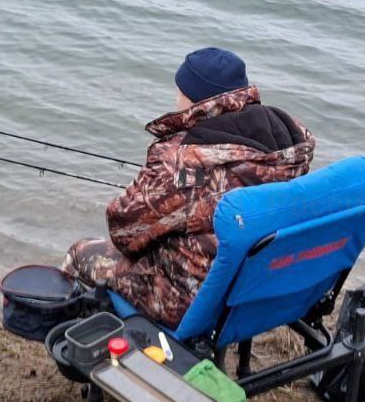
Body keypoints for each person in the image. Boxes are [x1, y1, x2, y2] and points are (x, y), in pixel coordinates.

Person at [64, 47, 315, 327]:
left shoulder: (182, 158)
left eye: (179, 91)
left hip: (195, 300)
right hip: (261, 286)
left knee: (79, 253)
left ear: (194, 98)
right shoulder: (290, 140)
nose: (176, 98)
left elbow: (122, 231)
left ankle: (84, 346)